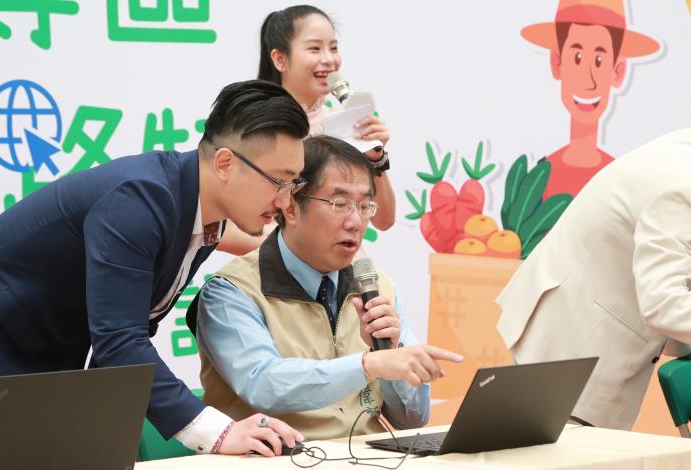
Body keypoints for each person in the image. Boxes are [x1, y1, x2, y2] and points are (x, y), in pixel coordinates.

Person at [0, 80, 311, 457]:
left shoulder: (204, 215)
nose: (285, 200)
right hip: (2, 327)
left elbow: (130, 331)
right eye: (278, 181)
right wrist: (217, 432)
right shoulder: (139, 201)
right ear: (225, 164)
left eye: (294, 183)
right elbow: (119, 340)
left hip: (46, 341)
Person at [193, 136, 462, 440]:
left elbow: (412, 420)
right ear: (291, 206)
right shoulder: (232, 291)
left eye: (364, 206)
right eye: (340, 204)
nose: (355, 222)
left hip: (366, 457)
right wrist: (369, 365)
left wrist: (391, 352)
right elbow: (263, 385)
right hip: (280, 457)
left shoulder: (377, 285)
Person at [496, 128, 691, 430]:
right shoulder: (682, 187)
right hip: (578, 342)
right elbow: (663, 303)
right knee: (563, 450)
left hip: (584, 320)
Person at [218, 5, 396, 254]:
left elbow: (384, 220)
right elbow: (219, 227)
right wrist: (286, 256)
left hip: (339, 267)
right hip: (272, 267)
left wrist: (376, 159)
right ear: (280, 59)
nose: (329, 59)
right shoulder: (253, 126)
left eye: (333, 48)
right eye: (314, 48)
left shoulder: (343, 123)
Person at [521, 0, 659, 199]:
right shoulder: (538, 179)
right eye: (577, 58)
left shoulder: (618, 179)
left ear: (618, 71)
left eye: (599, 61)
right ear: (557, 62)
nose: (588, 81)